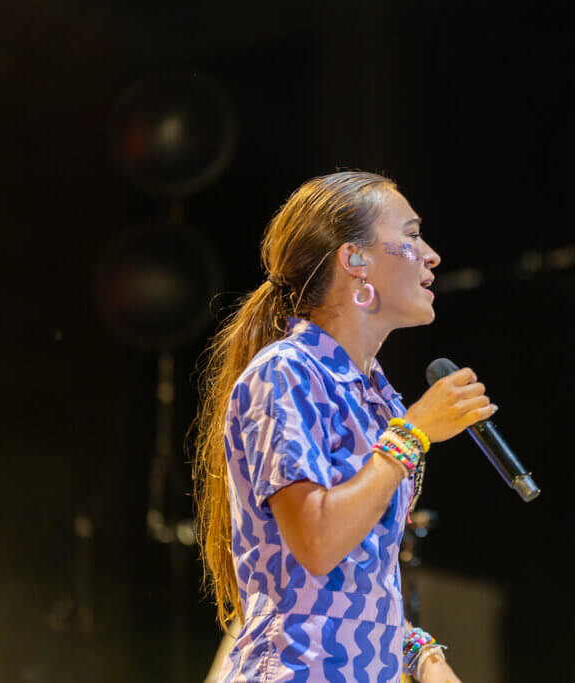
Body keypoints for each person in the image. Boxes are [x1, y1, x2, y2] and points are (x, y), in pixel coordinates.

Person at [194, 171, 496, 682]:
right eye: (411, 235)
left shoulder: (376, 396)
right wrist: (412, 433)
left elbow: (354, 580)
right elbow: (317, 542)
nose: (431, 255)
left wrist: (421, 655)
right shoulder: (287, 372)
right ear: (355, 260)